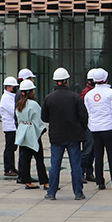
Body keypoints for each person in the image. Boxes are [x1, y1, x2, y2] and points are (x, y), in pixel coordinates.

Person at [41, 67, 89, 200]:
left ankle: (51, 193)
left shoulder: (49, 98)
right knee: (76, 166)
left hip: (57, 136)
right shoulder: (75, 97)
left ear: (55, 82)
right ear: (67, 81)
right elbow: (84, 116)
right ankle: (78, 193)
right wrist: (81, 129)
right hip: (74, 136)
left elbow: (44, 117)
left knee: (55, 166)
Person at [84, 68, 112, 190]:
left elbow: (88, 113)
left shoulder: (89, 95)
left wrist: (91, 127)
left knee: (98, 156)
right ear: (106, 79)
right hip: (109, 128)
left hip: (95, 129)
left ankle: (100, 182)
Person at [15, 79, 48, 190]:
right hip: (33, 133)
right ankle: (45, 182)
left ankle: (27, 180)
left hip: (23, 132)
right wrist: (42, 130)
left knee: (25, 158)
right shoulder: (33, 104)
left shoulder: (19, 104)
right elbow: (39, 119)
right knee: (39, 159)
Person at [80, 68, 97, 181]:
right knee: (87, 150)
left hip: (93, 124)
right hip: (88, 125)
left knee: (92, 151)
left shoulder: (91, 92)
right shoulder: (86, 93)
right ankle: (81, 173)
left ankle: (89, 172)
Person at [0, 76, 19, 177]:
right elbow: (13, 111)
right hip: (10, 127)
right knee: (9, 148)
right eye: (13, 87)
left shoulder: (11, 97)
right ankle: (8, 169)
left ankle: (12, 167)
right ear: (8, 87)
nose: (15, 88)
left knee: (12, 148)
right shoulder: (6, 98)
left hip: (13, 126)